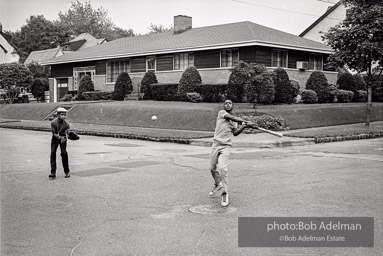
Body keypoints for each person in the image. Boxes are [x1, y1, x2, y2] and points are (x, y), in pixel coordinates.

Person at [208, 99, 255, 207]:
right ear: (223, 106)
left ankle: (224, 193)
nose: (227, 104)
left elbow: (235, 133)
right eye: (226, 103)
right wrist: (246, 122)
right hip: (216, 144)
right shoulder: (222, 113)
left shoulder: (234, 122)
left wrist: (244, 126)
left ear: (233, 105)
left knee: (222, 168)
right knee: (211, 168)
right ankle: (217, 184)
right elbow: (232, 117)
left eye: (230, 103)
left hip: (226, 146)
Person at [49, 107, 71, 179]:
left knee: (64, 153)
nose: (63, 116)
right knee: (53, 153)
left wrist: (69, 135)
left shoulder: (66, 123)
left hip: (63, 139)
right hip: (55, 138)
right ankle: (53, 172)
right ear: (58, 115)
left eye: (65, 115)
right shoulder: (53, 122)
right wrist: (59, 137)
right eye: (62, 115)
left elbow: (67, 133)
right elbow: (54, 133)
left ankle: (67, 171)